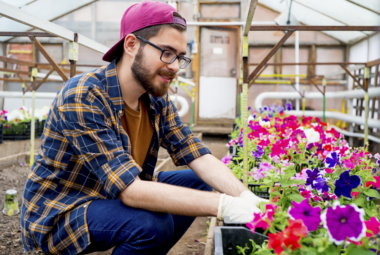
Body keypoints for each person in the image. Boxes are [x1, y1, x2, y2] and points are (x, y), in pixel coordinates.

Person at [21, 2, 266, 254]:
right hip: (62, 211)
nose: (174, 66)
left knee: (197, 182)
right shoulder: (85, 95)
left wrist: (246, 197)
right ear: (131, 45)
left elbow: (194, 152)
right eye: (167, 52)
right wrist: (223, 206)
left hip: (108, 194)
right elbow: (131, 192)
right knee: (153, 225)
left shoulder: (155, 99)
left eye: (180, 57)